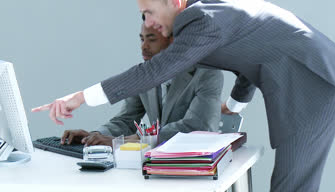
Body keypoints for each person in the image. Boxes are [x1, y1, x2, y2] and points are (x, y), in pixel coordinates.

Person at [33, 0, 335, 192]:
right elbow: (255, 56)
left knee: (292, 186)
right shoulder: (215, 3)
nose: (147, 22)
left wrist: (81, 97)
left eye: (149, 12)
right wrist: (233, 105)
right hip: (318, 78)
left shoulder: (201, 21)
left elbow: (155, 71)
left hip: (313, 84)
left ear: (174, 2)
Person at [60, 23, 223, 147]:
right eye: (142, 39)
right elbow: (125, 120)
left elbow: (196, 128)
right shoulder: (144, 75)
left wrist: (121, 142)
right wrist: (93, 136)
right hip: (154, 166)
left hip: (192, 164)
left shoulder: (207, 74)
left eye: (151, 40)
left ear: (174, 42)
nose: (143, 47)